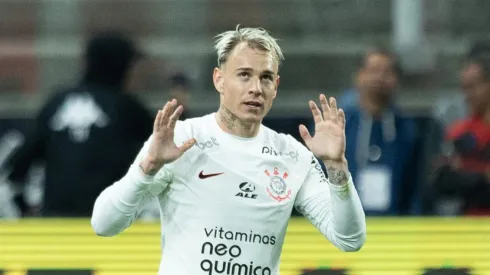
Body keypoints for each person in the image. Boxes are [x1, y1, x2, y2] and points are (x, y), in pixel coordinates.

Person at [91, 26, 366, 275]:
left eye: (266, 78)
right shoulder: (183, 139)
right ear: (219, 79)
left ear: (276, 87)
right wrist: (148, 167)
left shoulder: (292, 156)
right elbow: (103, 224)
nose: (256, 89)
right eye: (244, 75)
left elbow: (350, 239)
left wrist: (336, 167)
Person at [4, 31, 153, 217]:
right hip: (108, 222)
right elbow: (161, 152)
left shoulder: (56, 102)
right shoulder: (128, 108)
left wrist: (23, 206)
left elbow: (19, 164)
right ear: (120, 65)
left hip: (57, 220)